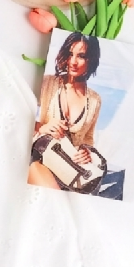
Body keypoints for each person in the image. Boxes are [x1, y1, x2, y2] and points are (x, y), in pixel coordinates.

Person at [28, 32, 102, 189]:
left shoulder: (95, 100)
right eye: (69, 54)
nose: (73, 62)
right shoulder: (48, 83)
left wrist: (86, 152)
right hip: (38, 156)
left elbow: (88, 138)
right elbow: (19, 115)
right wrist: (42, 127)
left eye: (81, 56)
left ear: (91, 59)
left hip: (69, 168)